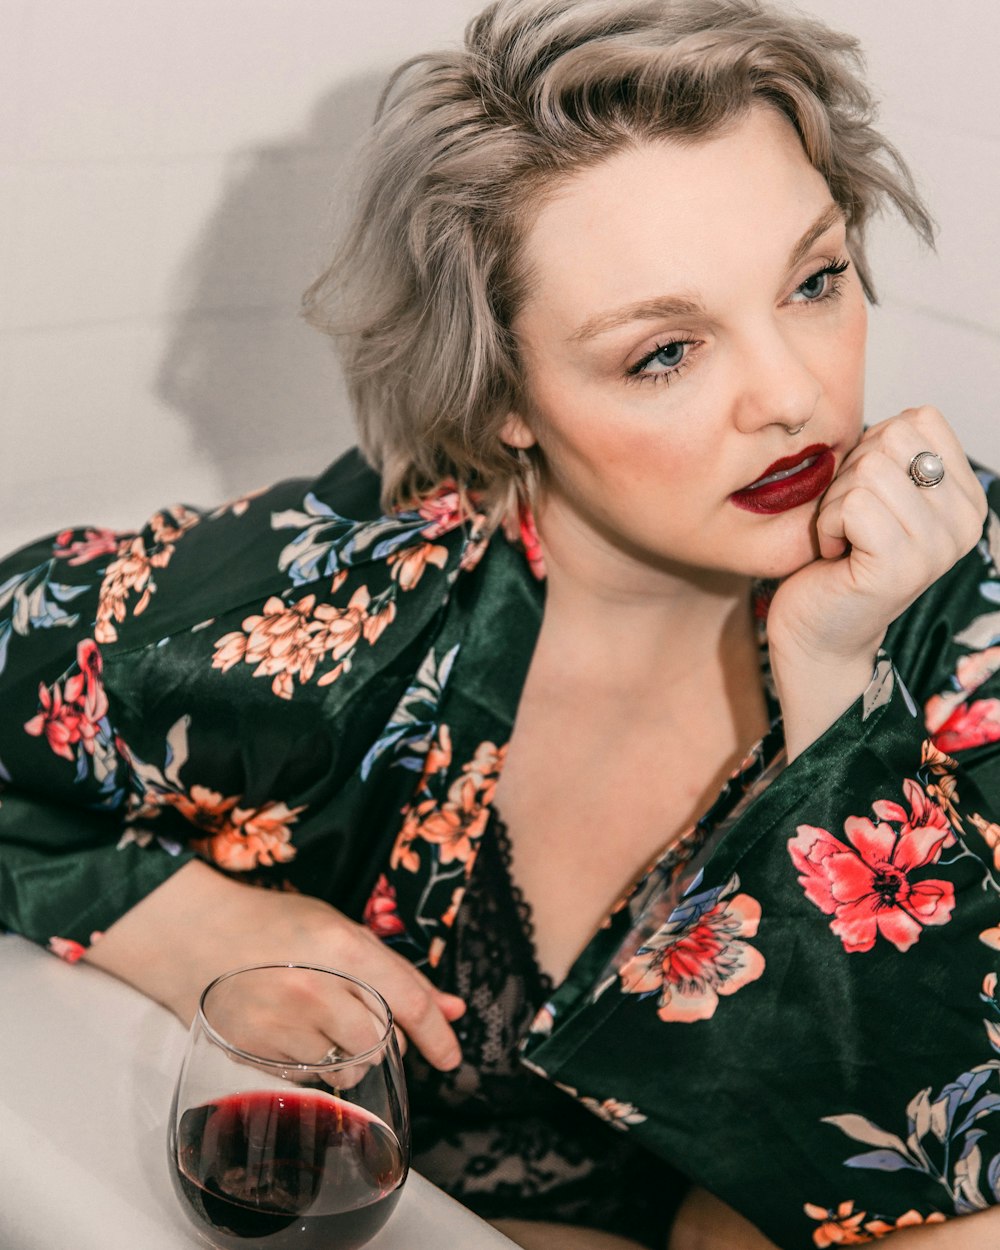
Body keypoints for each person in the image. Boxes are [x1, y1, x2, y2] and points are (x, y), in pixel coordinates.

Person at [1, 0, 998, 1246]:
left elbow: (937, 1157)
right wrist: (171, 914)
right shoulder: (341, 608)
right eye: (664, 352)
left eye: (814, 280)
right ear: (504, 393)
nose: (794, 393)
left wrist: (837, 688)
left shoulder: (963, 604)